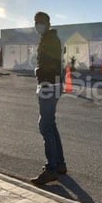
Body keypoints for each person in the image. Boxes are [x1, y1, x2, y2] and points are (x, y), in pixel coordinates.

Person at [30, 11, 67, 186]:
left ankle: (51, 169)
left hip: (48, 85)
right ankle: (59, 164)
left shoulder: (49, 40)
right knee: (51, 124)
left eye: (40, 22)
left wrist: (38, 71)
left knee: (45, 126)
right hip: (54, 85)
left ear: (47, 23)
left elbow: (51, 65)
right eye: (36, 22)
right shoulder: (50, 39)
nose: (38, 25)